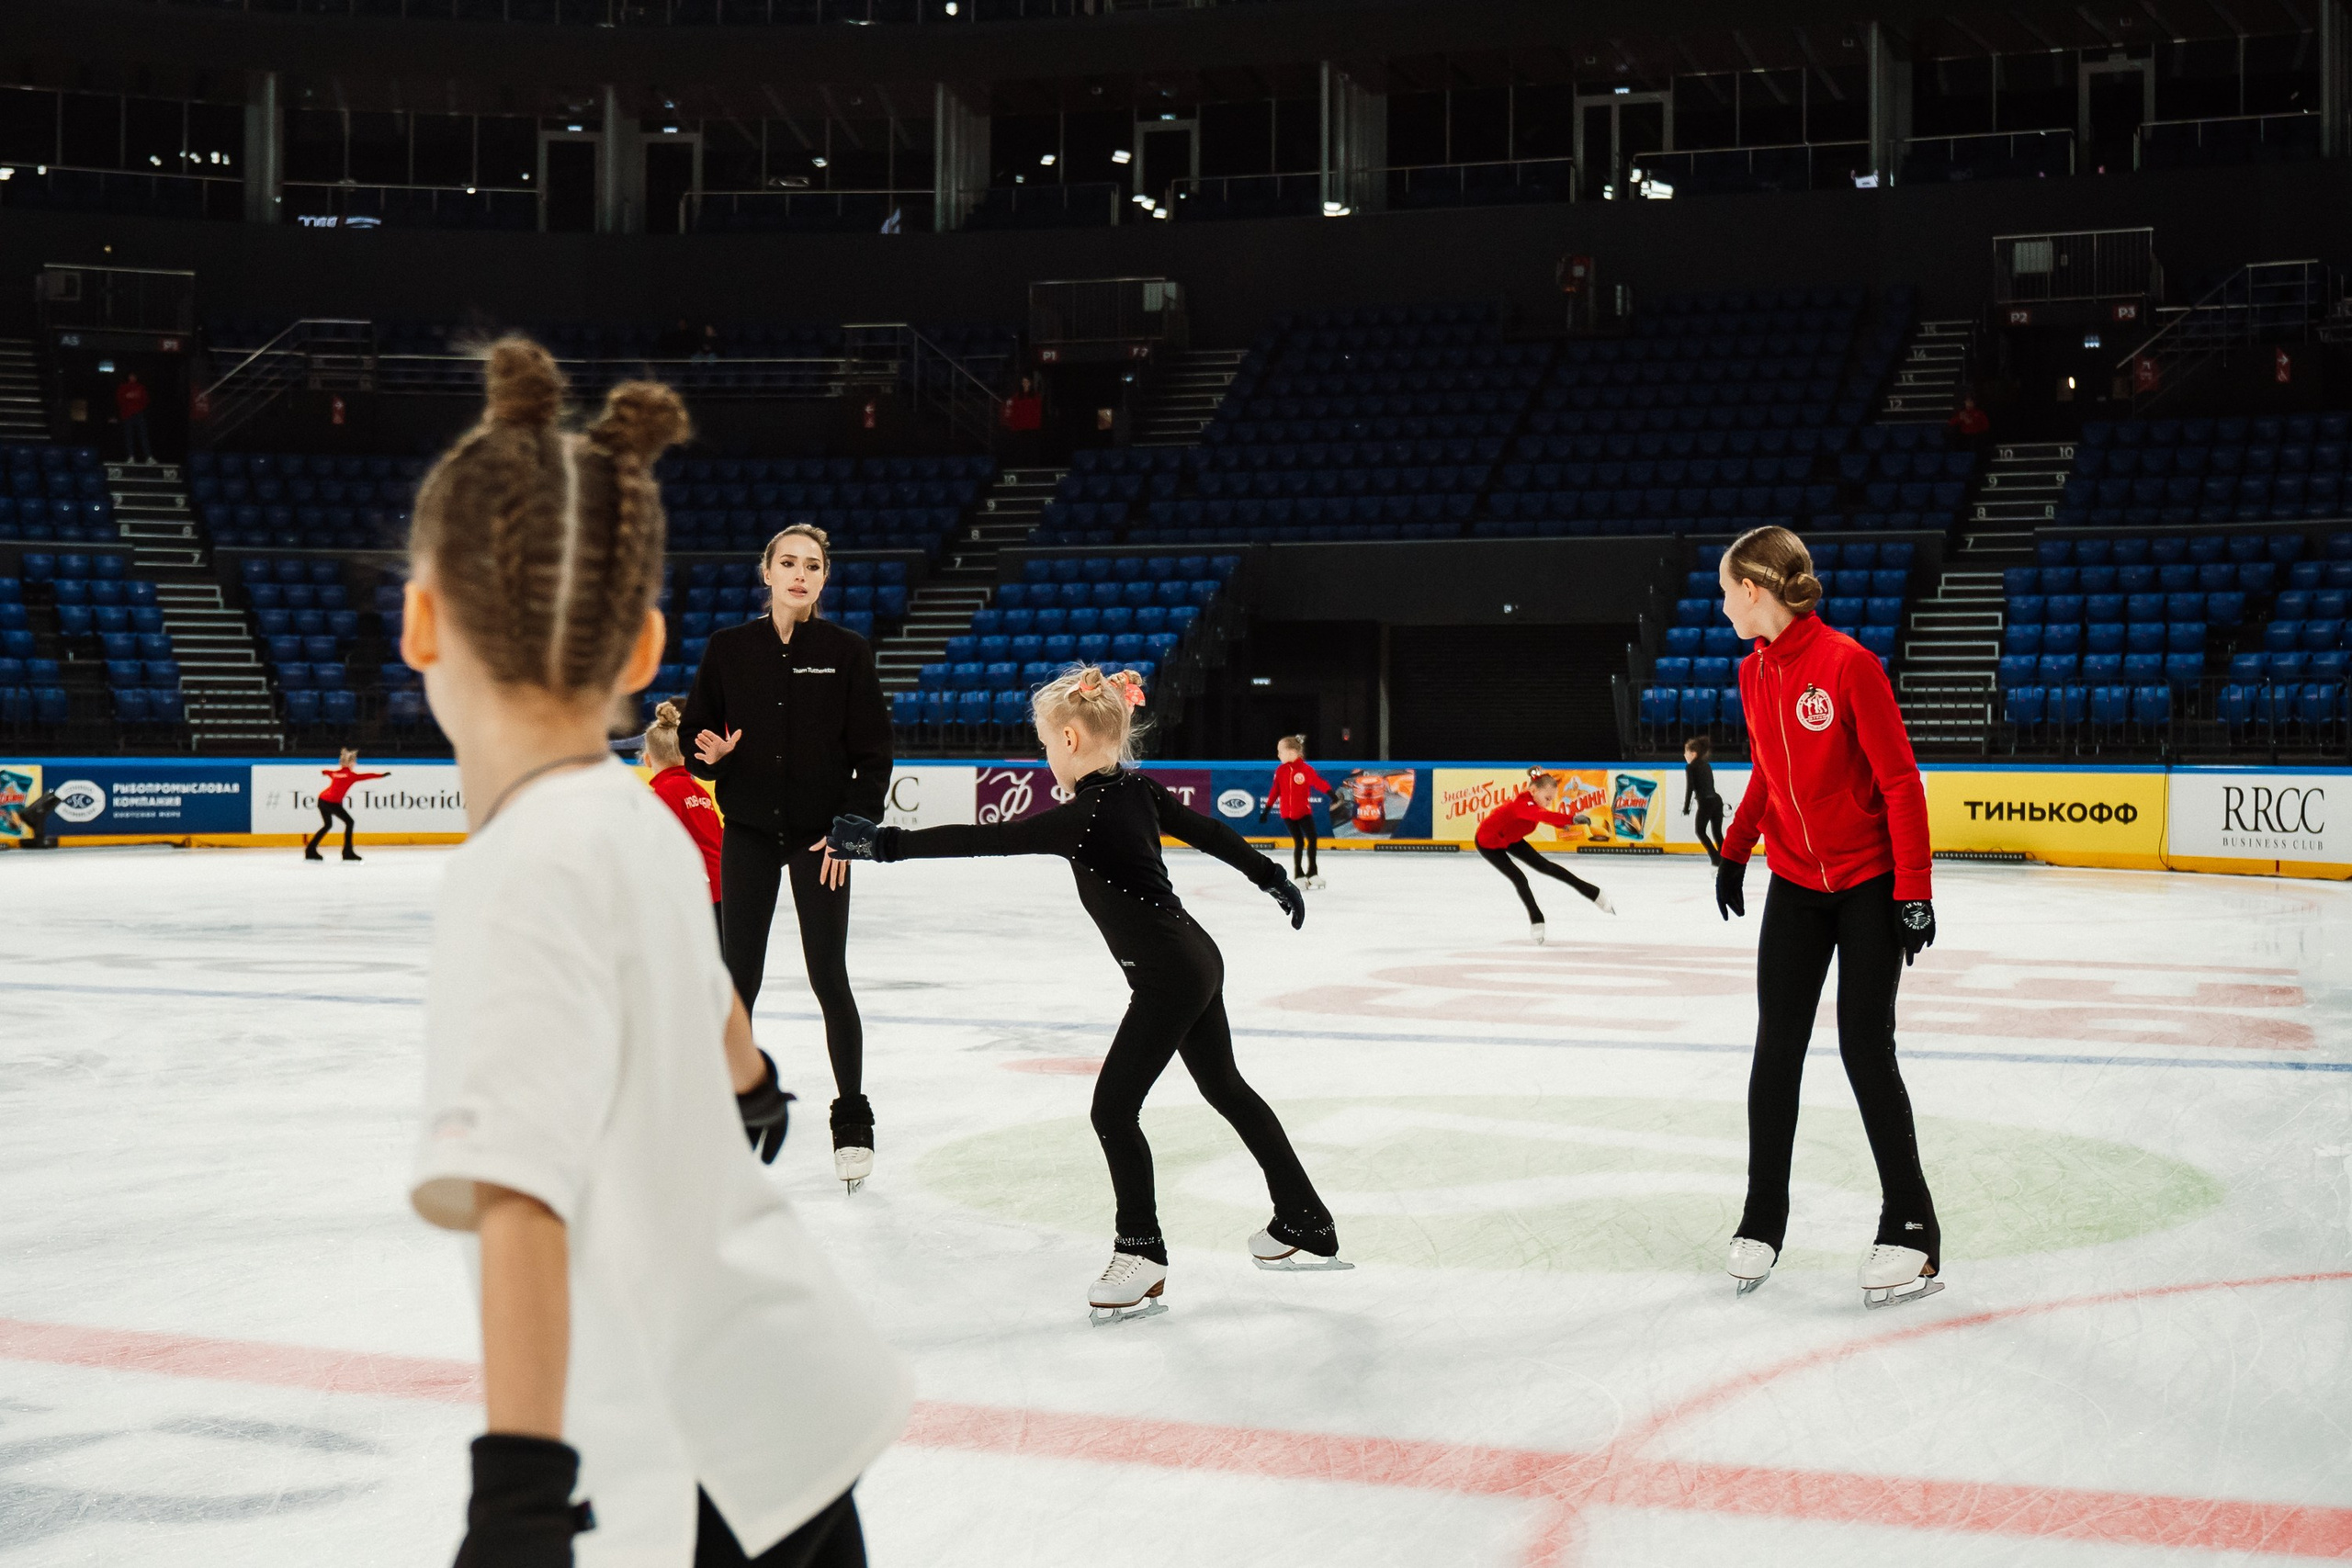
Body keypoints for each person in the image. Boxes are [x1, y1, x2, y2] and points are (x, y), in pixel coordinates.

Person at [401, 338, 905, 1568]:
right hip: (789, 1388)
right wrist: (751, 1092)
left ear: (422, 622)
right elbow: (723, 1021)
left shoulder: (517, 868)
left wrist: (516, 1499)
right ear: (641, 650)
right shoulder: (643, 821)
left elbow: (519, 1195)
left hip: (696, 1443)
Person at [823, 665, 1344, 1325]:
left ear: (1069, 739)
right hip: (1195, 958)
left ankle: (1141, 1250)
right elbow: (1209, 832)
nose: (1046, 756)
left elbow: (985, 840)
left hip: (1168, 974)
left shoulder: (1085, 816)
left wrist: (881, 844)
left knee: (1113, 1110)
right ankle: (1304, 1217)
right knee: (1225, 1088)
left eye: (1045, 743)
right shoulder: (1136, 790)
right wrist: (1270, 876)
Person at [1710, 524, 1941, 1310]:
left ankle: (1911, 1224)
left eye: (1726, 591)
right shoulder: (1752, 673)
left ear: (1753, 590)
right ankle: (1762, 1217)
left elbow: (1901, 782)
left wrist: (1914, 890)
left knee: (1864, 1047)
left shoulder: (1848, 665)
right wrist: (1736, 848)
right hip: (1796, 883)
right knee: (1776, 1046)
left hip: (1870, 882)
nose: (1723, 605)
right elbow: (1767, 774)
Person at [681, 523, 892, 1193]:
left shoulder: (846, 652)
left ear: (824, 578)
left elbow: (873, 755)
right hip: (747, 833)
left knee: (829, 975)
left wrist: (850, 832)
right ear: (767, 572)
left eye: (813, 565)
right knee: (737, 983)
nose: (801, 574)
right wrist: (711, 754)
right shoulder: (728, 648)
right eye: (789, 563)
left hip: (820, 838)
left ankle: (852, 1119)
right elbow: (694, 737)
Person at [1473, 770, 1615, 945]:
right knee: (1519, 878)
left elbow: (1542, 815)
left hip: (1511, 839)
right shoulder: (1522, 805)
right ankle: (1536, 919)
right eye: (1547, 798)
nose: (1548, 803)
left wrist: (1563, 823)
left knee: (1546, 866)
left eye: (1551, 800)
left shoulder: (1532, 805)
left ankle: (1593, 892)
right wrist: (1571, 819)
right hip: (1488, 843)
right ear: (1533, 791)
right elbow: (1542, 815)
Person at [643, 699, 725, 940]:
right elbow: (719, 837)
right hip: (721, 888)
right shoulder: (699, 791)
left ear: (647, 760)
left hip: (695, 894)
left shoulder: (662, 795)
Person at [1257, 733, 1330, 888]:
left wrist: (1332, 794)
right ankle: (1299, 874)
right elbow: (1275, 791)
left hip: (1304, 812)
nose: (1278, 755)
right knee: (1299, 842)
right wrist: (1267, 810)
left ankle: (1313, 873)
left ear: (1291, 752)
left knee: (1312, 839)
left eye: (1280, 751)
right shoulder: (1281, 771)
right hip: (1288, 814)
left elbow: (1318, 782)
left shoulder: (1305, 769)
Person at [306, 749, 389, 862]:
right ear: (351, 763)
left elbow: (327, 772)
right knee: (350, 822)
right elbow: (366, 776)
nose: (355, 764)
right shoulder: (351, 775)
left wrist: (324, 772)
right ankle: (347, 852)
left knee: (328, 825)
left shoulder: (335, 773)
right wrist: (381, 775)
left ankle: (310, 850)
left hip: (322, 800)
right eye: (354, 762)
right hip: (331, 802)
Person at [1682, 736, 1724, 866]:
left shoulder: (1691, 767)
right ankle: (1726, 859)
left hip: (1706, 802)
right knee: (1717, 832)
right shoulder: (1707, 765)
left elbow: (1690, 788)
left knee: (1700, 831)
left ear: (1693, 754)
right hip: (1717, 800)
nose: (1684, 755)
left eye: (1686, 752)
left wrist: (1686, 807)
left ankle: (1716, 857)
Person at [116, 372, 153, 464]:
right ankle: (130, 457)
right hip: (127, 415)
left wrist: (139, 408)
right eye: (131, 376)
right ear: (128, 377)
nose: (132, 378)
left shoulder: (140, 387)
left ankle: (148, 457)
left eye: (134, 376)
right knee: (129, 436)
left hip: (139, 414)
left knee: (143, 436)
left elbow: (146, 400)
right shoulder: (123, 387)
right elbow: (119, 400)